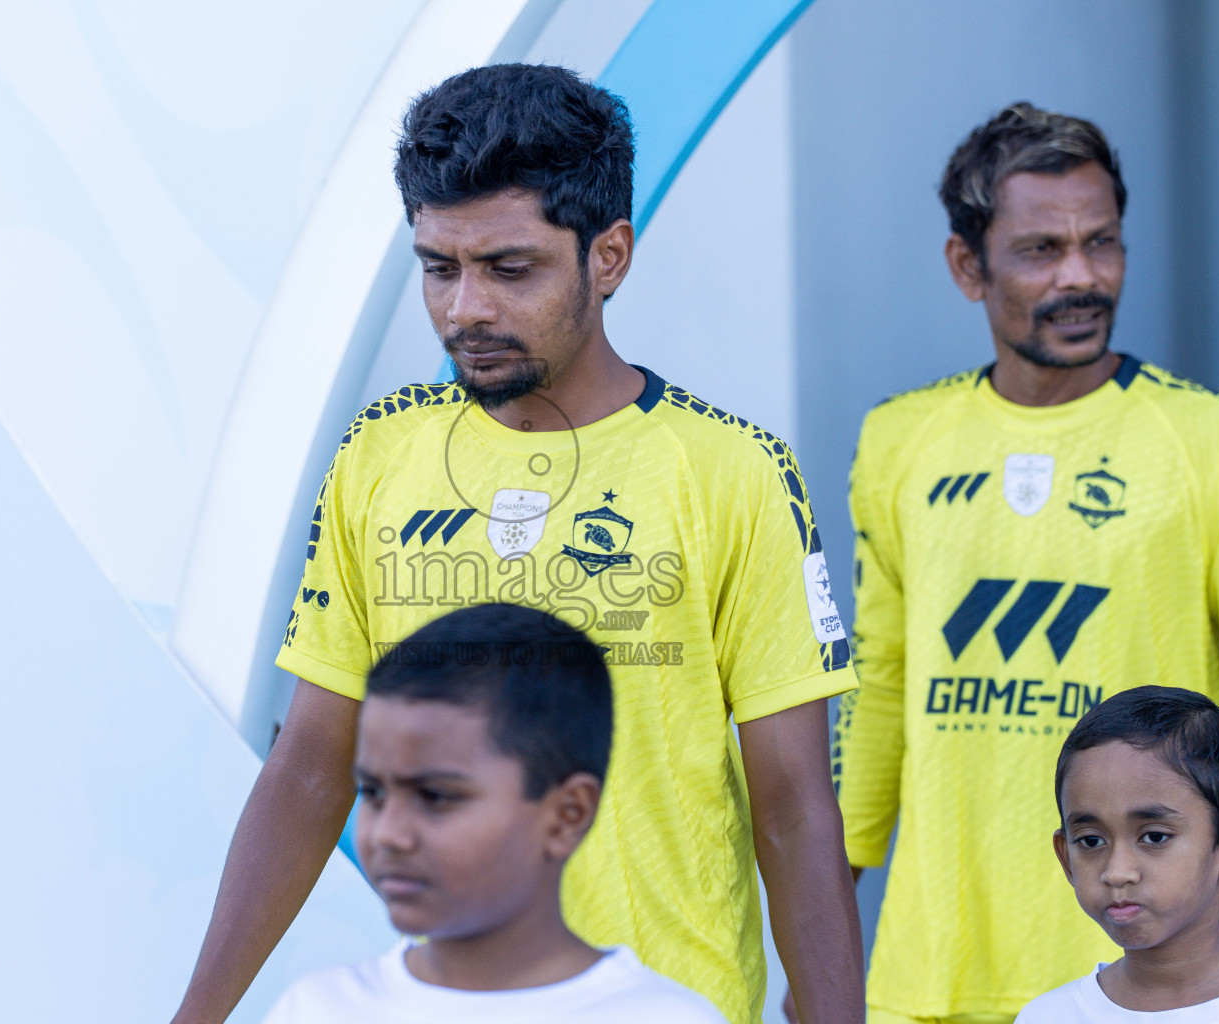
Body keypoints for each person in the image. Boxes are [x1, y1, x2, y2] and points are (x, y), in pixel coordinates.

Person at [173, 64, 863, 1024]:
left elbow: (792, 805)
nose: (465, 311)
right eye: (439, 267)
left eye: (509, 268)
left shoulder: (735, 471)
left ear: (609, 255)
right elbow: (310, 764)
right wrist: (195, 1014)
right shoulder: (380, 453)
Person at [832, 102, 1219, 1023]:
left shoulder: (1213, 435)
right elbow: (879, 683)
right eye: (1042, 250)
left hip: (1141, 976)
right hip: (932, 971)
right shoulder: (900, 438)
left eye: (1103, 243)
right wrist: (822, 934)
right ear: (969, 266)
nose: (1081, 275)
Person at [263, 604, 728, 1023]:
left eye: (436, 797)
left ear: (568, 814)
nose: (388, 834)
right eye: (373, 792)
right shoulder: (316, 1008)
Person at [1015, 685, 1219, 1022]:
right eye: (1091, 841)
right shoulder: (1048, 1016)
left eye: (1154, 836)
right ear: (1066, 859)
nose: (1117, 872)